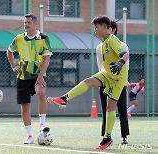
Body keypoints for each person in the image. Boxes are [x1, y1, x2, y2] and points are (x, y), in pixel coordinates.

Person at [47, 15, 129, 150]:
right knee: (88, 81)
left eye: (96, 27)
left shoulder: (112, 40)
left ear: (104, 27)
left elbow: (125, 55)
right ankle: (64, 99)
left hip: (117, 78)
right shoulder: (103, 43)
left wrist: (120, 63)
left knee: (110, 106)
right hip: (107, 74)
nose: (95, 30)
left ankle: (107, 138)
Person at [7, 13, 52, 144]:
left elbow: (47, 58)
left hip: (38, 74)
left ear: (34, 23)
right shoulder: (19, 38)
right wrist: (14, 66)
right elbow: (9, 51)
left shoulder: (44, 38)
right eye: (25, 22)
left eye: (28, 22)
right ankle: (30, 136)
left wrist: (40, 76)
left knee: (41, 92)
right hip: (23, 76)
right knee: (25, 106)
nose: (26, 25)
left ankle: (42, 125)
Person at [97, 21, 130, 145]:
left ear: (114, 30)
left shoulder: (122, 45)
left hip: (119, 82)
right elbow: (100, 64)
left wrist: (125, 82)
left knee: (122, 109)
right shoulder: (100, 46)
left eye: (109, 28)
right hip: (105, 80)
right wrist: (103, 79)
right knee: (106, 109)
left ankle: (124, 136)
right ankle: (105, 137)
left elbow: (126, 64)